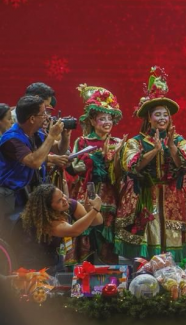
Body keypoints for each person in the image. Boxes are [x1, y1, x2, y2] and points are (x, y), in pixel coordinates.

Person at [114, 67, 186, 262]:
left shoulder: (178, 141)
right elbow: (130, 165)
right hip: (145, 197)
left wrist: (171, 147)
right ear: (149, 118)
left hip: (172, 197)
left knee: (171, 239)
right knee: (147, 237)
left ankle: (173, 276)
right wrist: (154, 151)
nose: (162, 119)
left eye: (165, 115)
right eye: (157, 114)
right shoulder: (136, 141)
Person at [67, 84, 126, 264]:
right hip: (88, 191)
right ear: (92, 121)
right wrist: (95, 160)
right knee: (87, 229)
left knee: (107, 230)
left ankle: (108, 271)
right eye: (102, 118)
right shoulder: (83, 142)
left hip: (110, 193)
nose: (107, 122)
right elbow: (75, 166)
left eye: (109, 118)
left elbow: (124, 171)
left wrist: (116, 157)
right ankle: (84, 269)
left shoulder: (118, 142)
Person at [0, 96, 67, 227]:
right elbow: (34, 162)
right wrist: (51, 136)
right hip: (10, 198)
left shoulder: (36, 134)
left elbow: (59, 150)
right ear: (32, 119)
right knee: (14, 234)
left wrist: (65, 136)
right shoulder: (11, 139)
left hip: (30, 193)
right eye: (43, 113)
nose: (46, 117)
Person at [16, 184, 102, 272]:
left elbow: (97, 221)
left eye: (63, 195)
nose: (64, 199)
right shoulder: (44, 221)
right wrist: (95, 209)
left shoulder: (69, 204)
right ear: (48, 207)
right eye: (59, 200)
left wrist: (90, 209)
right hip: (34, 263)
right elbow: (74, 230)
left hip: (54, 257)